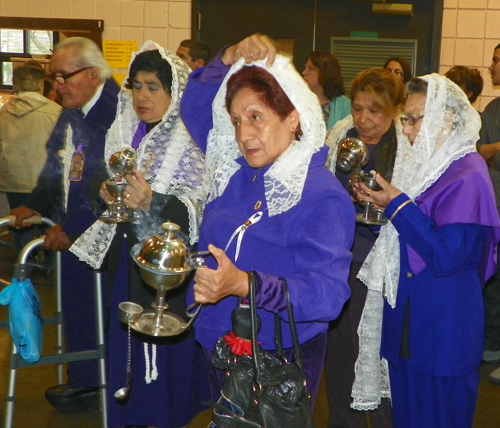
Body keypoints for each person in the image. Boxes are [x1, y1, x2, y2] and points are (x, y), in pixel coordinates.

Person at [180, 33, 355, 409]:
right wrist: (228, 56)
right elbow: (194, 105)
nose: (243, 134)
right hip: (218, 342)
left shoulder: (320, 194)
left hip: (278, 357)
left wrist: (245, 284)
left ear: (293, 118)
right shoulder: (236, 171)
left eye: (256, 117)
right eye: (237, 120)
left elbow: (327, 295)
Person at [70, 41, 208, 428]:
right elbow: (105, 179)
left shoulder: (189, 141)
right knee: (125, 351)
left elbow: (198, 206)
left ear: (173, 91)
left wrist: (153, 201)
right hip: (125, 265)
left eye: (153, 87)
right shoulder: (126, 132)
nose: (142, 96)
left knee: (161, 366)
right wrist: (103, 191)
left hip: (167, 271)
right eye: (136, 86)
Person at [351, 74, 500, 428]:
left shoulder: (468, 173)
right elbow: (409, 233)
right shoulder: (434, 167)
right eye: (406, 119)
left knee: (439, 417)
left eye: (414, 118)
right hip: (410, 319)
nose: (407, 130)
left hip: (443, 324)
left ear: (446, 119)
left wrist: (397, 204)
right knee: (408, 416)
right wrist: (379, 205)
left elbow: (446, 257)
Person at [9, 37, 120, 411]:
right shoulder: (72, 107)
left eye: (63, 76)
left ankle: (102, 381)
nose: (55, 84)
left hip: (104, 231)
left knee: (99, 307)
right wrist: (32, 205)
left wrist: (72, 227)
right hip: (70, 225)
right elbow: (55, 166)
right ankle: (85, 378)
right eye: (53, 76)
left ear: (92, 74)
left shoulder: (115, 112)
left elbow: (107, 183)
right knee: (76, 305)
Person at [324, 68, 405, 428]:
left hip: (385, 263)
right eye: (358, 109)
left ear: (395, 110)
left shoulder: (404, 147)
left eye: (375, 111)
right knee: (341, 353)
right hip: (345, 260)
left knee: (381, 354)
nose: (364, 119)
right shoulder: (341, 136)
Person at [0, 63, 62, 252]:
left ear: (15, 84)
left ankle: (23, 266)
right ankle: (51, 267)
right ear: (41, 85)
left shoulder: (2, 113)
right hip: (44, 181)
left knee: (20, 224)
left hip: (13, 180)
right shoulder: (56, 112)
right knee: (50, 226)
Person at [477, 42, 500, 385]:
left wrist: (491, 151)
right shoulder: (493, 108)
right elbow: (479, 151)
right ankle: (492, 343)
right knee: (493, 281)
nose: (492, 66)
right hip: (493, 208)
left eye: (497, 60)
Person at [302, 51, 351, 130]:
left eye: (310, 68)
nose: (304, 72)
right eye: (305, 68)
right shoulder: (298, 102)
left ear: (325, 72)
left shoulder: (345, 104)